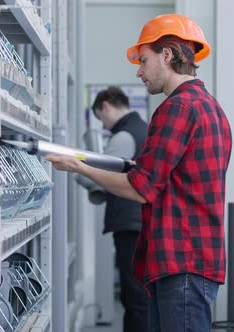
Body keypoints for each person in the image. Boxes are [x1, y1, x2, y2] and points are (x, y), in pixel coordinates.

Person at [47, 13, 232, 332]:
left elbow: (139, 188)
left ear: (168, 55)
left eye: (143, 60)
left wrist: (78, 166)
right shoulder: (210, 107)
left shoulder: (177, 108)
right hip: (193, 261)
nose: (139, 71)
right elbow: (175, 178)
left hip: (180, 263)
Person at [77, 86, 149, 332]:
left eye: (101, 118)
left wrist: (78, 168)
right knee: (141, 293)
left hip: (130, 223)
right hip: (143, 219)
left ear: (106, 106)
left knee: (134, 295)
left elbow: (101, 176)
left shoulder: (123, 136)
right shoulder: (145, 129)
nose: (105, 126)